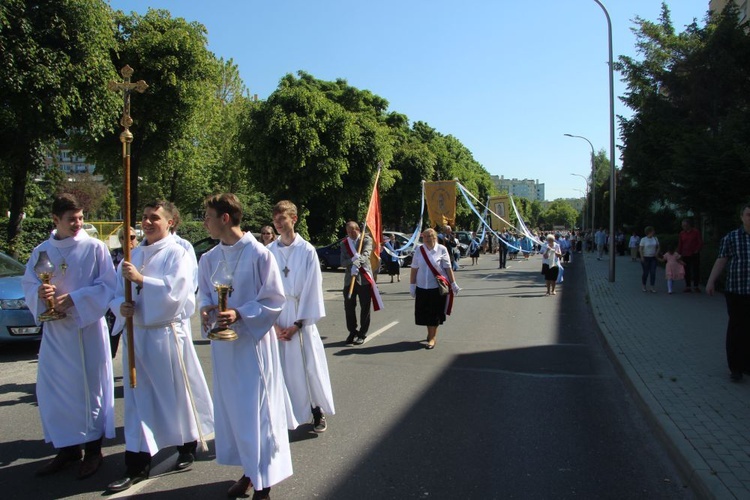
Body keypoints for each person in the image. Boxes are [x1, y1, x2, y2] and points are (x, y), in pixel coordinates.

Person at [107, 200, 214, 493]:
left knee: (175, 396)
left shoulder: (178, 252)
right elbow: (115, 293)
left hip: (165, 334)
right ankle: (137, 465)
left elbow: (178, 293)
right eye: (144, 217)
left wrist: (142, 279)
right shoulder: (134, 253)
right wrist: (121, 306)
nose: (148, 222)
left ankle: (187, 445)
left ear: (171, 222)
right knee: (137, 402)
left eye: (155, 218)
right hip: (137, 335)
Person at [198, 193, 292, 499]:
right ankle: (250, 471)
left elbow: (274, 300)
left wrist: (240, 312)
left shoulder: (260, 255)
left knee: (258, 414)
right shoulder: (208, 258)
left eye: (208, 216)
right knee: (236, 414)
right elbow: (204, 298)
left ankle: (263, 484)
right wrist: (207, 310)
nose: (204, 222)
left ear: (225, 218)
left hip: (253, 348)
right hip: (225, 350)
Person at [21, 194, 117, 480]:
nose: (77, 224)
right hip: (56, 333)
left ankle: (93, 450)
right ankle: (67, 448)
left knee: (90, 388)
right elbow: (29, 282)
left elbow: (108, 285)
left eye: (80, 218)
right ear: (55, 220)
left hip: (85, 329)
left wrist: (75, 298)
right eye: (71, 219)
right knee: (57, 389)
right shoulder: (42, 251)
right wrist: (40, 295)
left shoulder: (95, 247)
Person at [269, 200, 335, 435]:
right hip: (277, 317)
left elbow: (312, 287)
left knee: (309, 365)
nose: (277, 223)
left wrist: (298, 323)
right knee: (280, 368)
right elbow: (264, 288)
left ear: (293, 219)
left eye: (282, 219)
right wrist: (274, 324)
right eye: (275, 219)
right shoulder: (269, 252)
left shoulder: (306, 250)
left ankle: (317, 410)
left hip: (300, 315)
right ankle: (284, 413)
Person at [706, 203, 750, 382]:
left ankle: (747, 364)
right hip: (736, 291)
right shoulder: (731, 238)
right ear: (741, 217)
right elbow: (721, 261)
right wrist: (711, 281)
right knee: (736, 329)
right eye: (748, 214)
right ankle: (735, 368)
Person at [409, 228, 459, 349]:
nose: (426, 238)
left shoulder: (442, 249)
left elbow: (447, 268)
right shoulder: (419, 250)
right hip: (422, 287)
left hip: (436, 287)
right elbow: (414, 268)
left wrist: (453, 283)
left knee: (435, 314)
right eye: (424, 236)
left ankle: (432, 338)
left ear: (435, 237)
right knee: (426, 313)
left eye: (429, 236)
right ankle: (430, 333)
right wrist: (412, 285)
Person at [341, 221, 381, 345]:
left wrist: (357, 263)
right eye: (348, 231)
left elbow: (366, 254)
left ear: (358, 229)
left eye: (353, 230)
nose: (351, 233)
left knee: (365, 308)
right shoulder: (344, 243)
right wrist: (352, 260)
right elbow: (342, 262)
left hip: (364, 279)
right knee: (349, 307)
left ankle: (362, 334)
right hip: (350, 280)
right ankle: (352, 331)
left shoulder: (366, 240)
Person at [106, 226, 138, 358]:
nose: (128, 240)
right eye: (124, 237)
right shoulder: (112, 255)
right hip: (116, 304)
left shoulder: (141, 255)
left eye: (132, 237)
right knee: (110, 343)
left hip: (134, 305)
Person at [678, 218, 703, 293]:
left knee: (696, 270)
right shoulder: (682, 233)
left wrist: (697, 249)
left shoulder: (695, 232)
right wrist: (679, 253)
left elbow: (700, 242)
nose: (684, 227)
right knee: (686, 270)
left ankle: (696, 286)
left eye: (685, 225)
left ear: (689, 225)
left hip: (694, 253)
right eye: (682, 225)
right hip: (685, 253)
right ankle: (688, 286)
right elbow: (680, 244)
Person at [639, 226, 660, 293]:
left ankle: (652, 286)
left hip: (653, 257)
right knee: (646, 273)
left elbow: (658, 247)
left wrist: (656, 253)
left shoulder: (655, 239)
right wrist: (642, 256)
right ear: (649, 232)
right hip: (646, 257)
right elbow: (640, 248)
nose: (654, 232)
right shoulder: (643, 239)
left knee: (653, 272)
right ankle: (644, 285)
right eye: (652, 231)